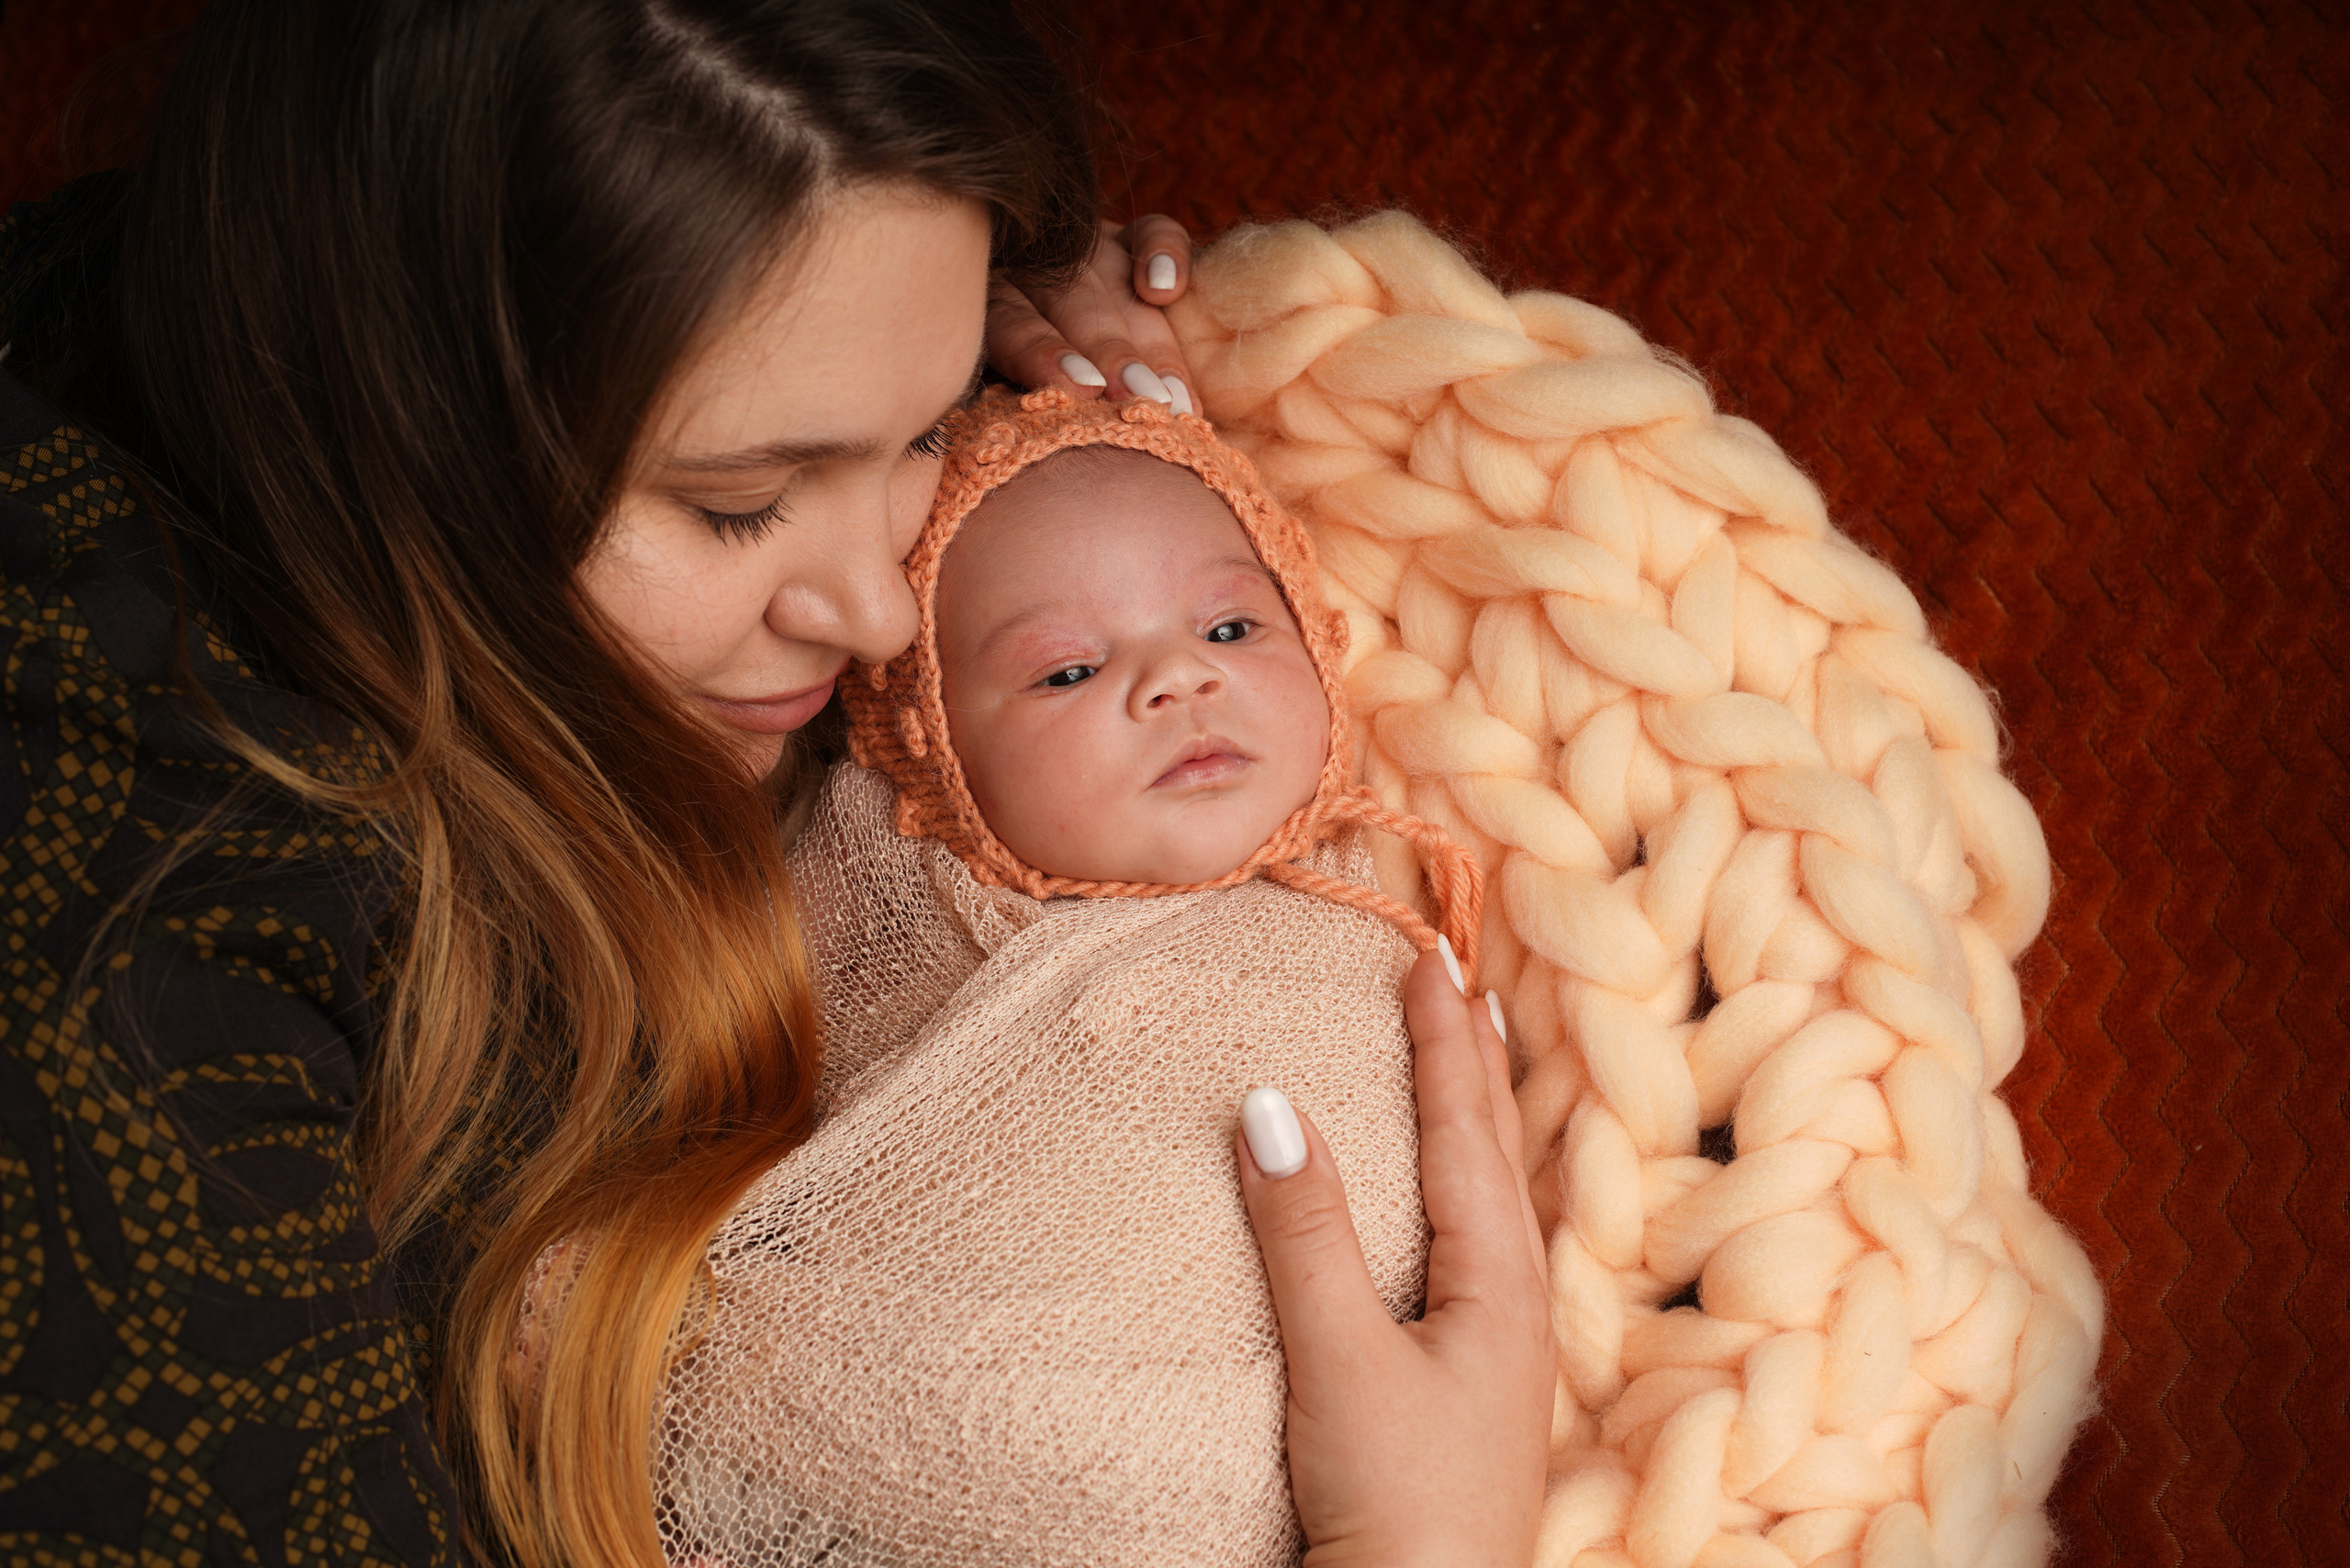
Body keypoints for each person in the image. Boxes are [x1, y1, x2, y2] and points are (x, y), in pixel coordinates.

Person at [0, 3, 1552, 1564]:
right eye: (741, 501)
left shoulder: (241, 261)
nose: (883, 612)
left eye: (920, 433)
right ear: (389, 418)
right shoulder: (112, 985)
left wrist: (946, 356)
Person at [630, 387, 1492, 1565]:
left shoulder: (1368, 893)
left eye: (1233, 631)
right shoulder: (887, 867)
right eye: (1070, 671)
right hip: (928, 1389)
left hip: (1298, 1438)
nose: (1179, 681)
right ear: (933, 742)